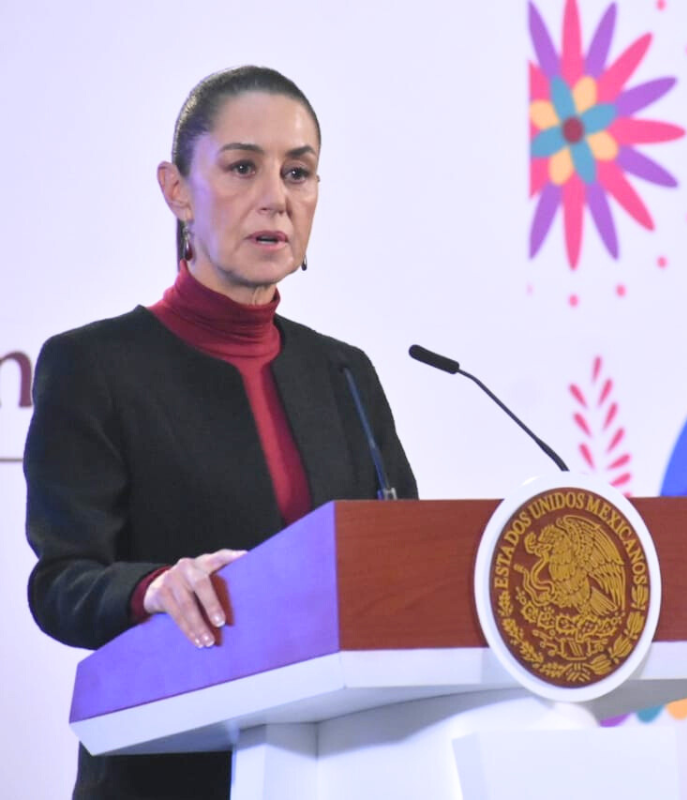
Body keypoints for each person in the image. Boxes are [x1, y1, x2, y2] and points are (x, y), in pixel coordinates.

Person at [24, 66, 418, 799]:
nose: (276, 197)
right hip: (167, 772)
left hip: (344, 770)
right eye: (243, 167)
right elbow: (61, 584)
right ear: (176, 190)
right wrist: (155, 588)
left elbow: (401, 566)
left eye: (298, 173)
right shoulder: (94, 365)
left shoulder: (345, 373)